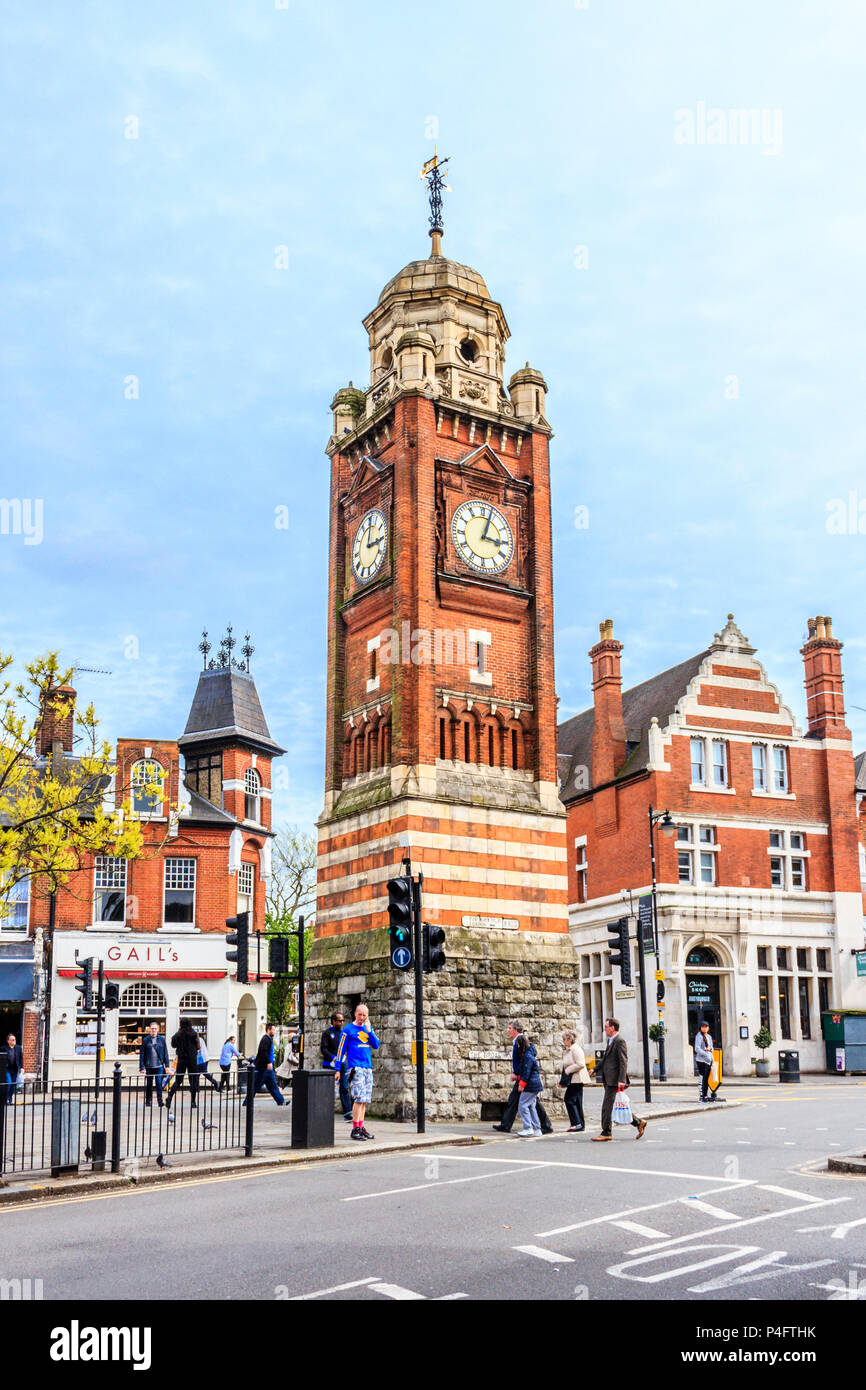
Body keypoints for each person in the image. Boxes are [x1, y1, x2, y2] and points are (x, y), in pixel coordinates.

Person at [492, 1022, 554, 1135]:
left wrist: (517, 1074)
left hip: (524, 1078)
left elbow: (524, 1060)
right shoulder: (520, 1040)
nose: (508, 1030)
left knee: (528, 1103)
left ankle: (539, 1126)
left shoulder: (519, 1041)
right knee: (520, 1101)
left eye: (510, 1028)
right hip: (523, 1077)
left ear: (515, 1030)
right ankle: (508, 1125)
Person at [592, 1017, 646, 1142]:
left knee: (607, 1107)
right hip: (609, 1079)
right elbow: (605, 1059)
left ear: (612, 1028)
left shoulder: (619, 1041)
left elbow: (623, 1061)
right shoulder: (610, 1041)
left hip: (614, 1080)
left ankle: (606, 1132)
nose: (604, 1029)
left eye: (606, 1027)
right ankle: (639, 1123)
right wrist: (594, 1069)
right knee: (615, 1106)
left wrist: (621, 1079)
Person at [332, 1002, 379, 1140]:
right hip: (356, 1067)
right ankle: (355, 1128)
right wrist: (337, 1069)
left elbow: (376, 1044)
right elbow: (340, 1051)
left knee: (364, 1099)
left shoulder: (367, 1028)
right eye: (360, 1014)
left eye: (365, 1015)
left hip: (367, 1067)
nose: (362, 1017)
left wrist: (370, 1031)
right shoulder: (348, 1030)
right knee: (358, 1099)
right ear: (355, 1014)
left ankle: (361, 1125)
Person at [165, 1017, 201, 1121]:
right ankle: (193, 1102)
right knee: (193, 1080)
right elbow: (198, 1047)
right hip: (192, 1060)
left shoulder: (178, 1034)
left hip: (181, 1059)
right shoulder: (193, 1033)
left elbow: (172, 1045)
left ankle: (170, 1097)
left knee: (178, 1080)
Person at [321, 1010, 353, 1121]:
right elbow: (323, 1049)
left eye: (343, 1020)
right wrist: (333, 1057)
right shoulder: (327, 1033)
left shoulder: (343, 1033)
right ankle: (325, 1111)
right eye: (340, 1021)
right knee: (328, 1089)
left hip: (342, 1065)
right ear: (334, 1021)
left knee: (344, 1088)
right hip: (329, 1064)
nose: (342, 1023)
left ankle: (348, 1113)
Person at [244, 1023, 286, 1106]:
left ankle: (281, 1101)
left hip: (266, 1068)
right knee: (256, 1086)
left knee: (272, 1086)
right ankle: (246, 1102)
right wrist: (269, 1062)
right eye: (273, 1030)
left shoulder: (268, 1039)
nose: (274, 1031)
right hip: (264, 1068)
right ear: (268, 1030)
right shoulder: (265, 1039)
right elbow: (264, 1052)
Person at [558, 1028, 590, 1132]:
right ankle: (580, 1124)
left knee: (569, 1099)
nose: (563, 1042)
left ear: (569, 1039)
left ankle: (576, 1123)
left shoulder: (576, 1049)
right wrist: (563, 1081)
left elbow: (581, 1064)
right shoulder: (569, 1049)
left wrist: (568, 1070)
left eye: (564, 1039)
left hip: (578, 1079)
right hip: (573, 1079)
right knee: (576, 1101)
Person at [516, 1034, 544, 1138]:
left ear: (521, 1044)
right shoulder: (529, 1054)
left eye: (518, 1044)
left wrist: (521, 1084)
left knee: (522, 1105)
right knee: (531, 1107)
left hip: (530, 1085)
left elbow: (526, 1072)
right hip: (535, 1085)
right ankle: (537, 1129)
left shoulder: (527, 1056)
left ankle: (528, 1128)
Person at [138, 1023, 169, 1108]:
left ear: (158, 1029)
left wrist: (167, 1066)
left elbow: (165, 1053)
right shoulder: (145, 1040)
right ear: (149, 1030)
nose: (154, 1030)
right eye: (152, 1029)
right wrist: (142, 1067)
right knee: (149, 1084)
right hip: (149, 1066)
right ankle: (148, 1101)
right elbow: (142, 1054)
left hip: (159, 1066)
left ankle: (160, 1101)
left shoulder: (161, 1039)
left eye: (155, 1029)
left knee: (159, 1084)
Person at [694, 1020, 714, 1102]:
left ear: (708, 1028)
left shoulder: (709, 1037)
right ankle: (702, 1096)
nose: (704, 1028)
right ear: (700, 1028)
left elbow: (712, 1048)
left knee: (706, 1079)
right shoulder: (699, 1036)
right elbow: (697, 1049)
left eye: (706, 1026)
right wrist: (706, 1054)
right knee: (702, 1078)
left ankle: (705, 1095)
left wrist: (710, 1049)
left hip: (708, 1060)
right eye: (703, 1026)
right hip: (701, 1060)